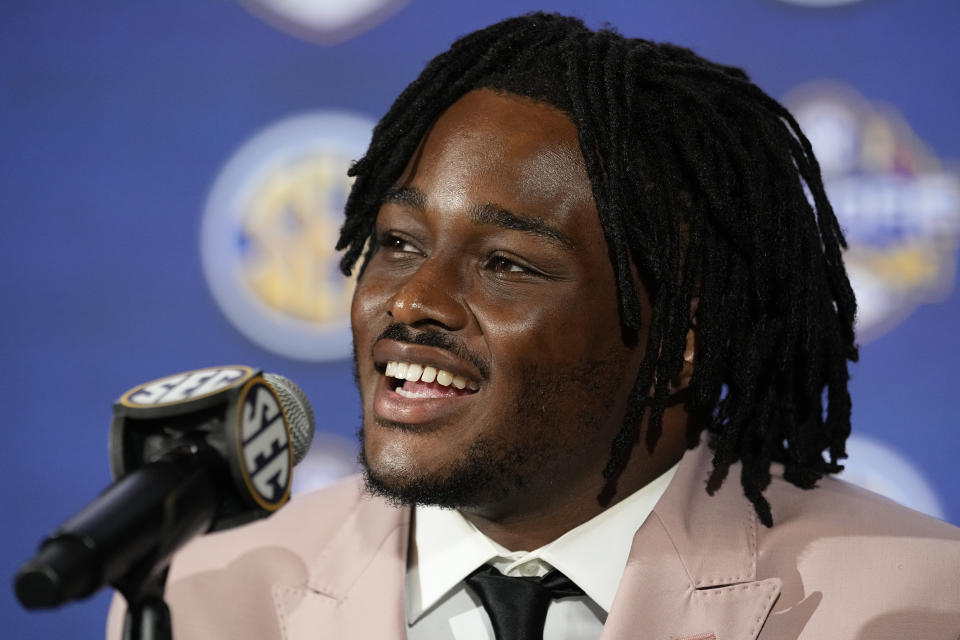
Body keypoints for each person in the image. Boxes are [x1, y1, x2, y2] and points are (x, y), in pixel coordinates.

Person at [108, 12, 960, 640]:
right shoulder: (205, 592)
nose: (410, 303)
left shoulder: (918, 603)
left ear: (681, 336)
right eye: (399, 243)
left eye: (507, 264)